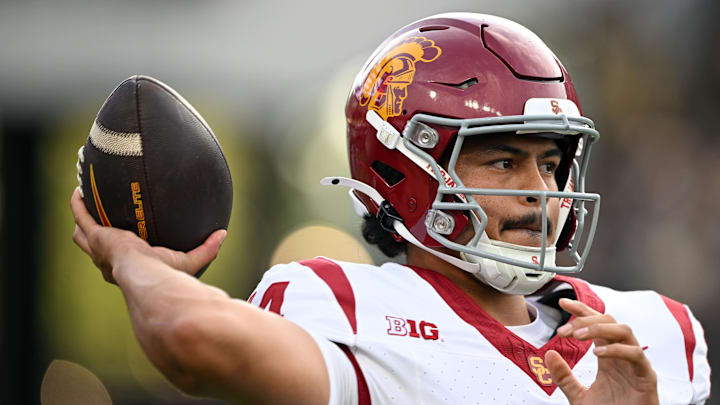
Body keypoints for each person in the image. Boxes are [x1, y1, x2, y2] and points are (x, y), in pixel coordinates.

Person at [71, 13, 710, 405]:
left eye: (550, 163)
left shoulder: (654, 335)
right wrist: (133, 258)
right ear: (406, 172)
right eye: (503, 161)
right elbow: (187, 340)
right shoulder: (347, 308)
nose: (540, 191)